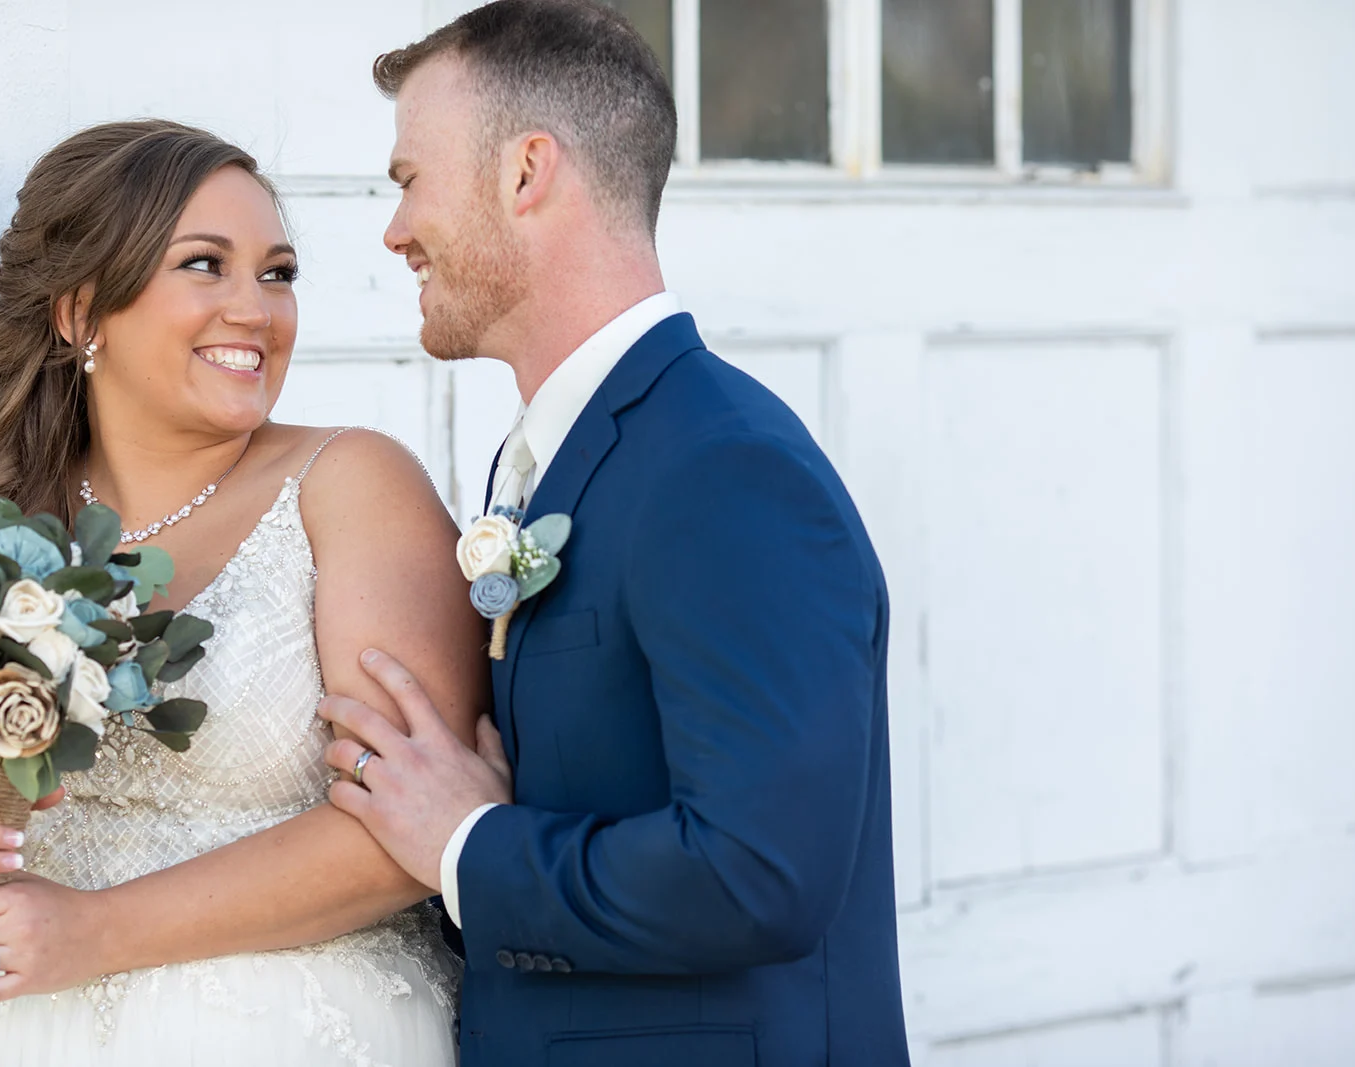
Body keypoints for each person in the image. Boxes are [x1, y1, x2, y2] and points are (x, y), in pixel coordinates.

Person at [315, 2, 912, 1064]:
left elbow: (757, 873)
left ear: (525, 172)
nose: (393, 229)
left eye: (409, 179)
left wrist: (468, 842)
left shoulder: (724, 469)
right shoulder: (553, 455)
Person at [0, 119, 486, 1064]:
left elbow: (408, 832)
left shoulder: (350, 485)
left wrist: (93, 931)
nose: (257, 310)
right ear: (80, 314)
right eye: (206, 265)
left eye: (277, 274)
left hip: (293, 1031)